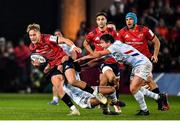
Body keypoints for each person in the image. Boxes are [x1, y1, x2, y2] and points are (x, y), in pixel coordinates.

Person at [76, 34, 169, 116]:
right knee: (135, 89)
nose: (100, 45)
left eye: (102, 43)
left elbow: (99, 54)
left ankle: (158, 98)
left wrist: (84, 57)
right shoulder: (113, 50)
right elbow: (98, 60)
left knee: (133, 88)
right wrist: (82, 66)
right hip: (137, 66)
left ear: (108, 42)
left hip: (143, 64)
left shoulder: (115, 46)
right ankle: (147, 107)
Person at [27, 23, 107, 108]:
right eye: (30, 35)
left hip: (64, 60)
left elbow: (65, 41)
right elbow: (40, 60)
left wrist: (73, 47)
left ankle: (97, 95)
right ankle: (72, 108)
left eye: (34, 35)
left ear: (39, 33)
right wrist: (38, 64)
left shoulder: (48, 38)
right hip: (54, 65)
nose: (32, 37)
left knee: (72, 81)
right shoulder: (32, 47)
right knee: (57, 85)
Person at [118, 12, 169, 110]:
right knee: (141, 84)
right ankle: (161, 99)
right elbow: (120, 47)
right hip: (133, 63)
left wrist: (155, 55)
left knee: (145, 81)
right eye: (127, 19)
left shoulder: (145, 30)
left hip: (145, 61)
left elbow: (157, 42)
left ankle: (155, 104)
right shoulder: (122, 32)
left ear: (135, 20)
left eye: (131, 19)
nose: (128, 21)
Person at [83, 12, 122, 113]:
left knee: (112, 84)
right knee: (107, 81)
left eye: (102, 19)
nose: (101, 21)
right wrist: (92, 54)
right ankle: (113, 104)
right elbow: (85, 43)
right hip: (103, 62)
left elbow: (119, 44)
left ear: (106, 21)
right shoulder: (92, 33)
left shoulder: (112, 32)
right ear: (96, 21)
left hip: (114, 61)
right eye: (99, 19)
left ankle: (107, 102)